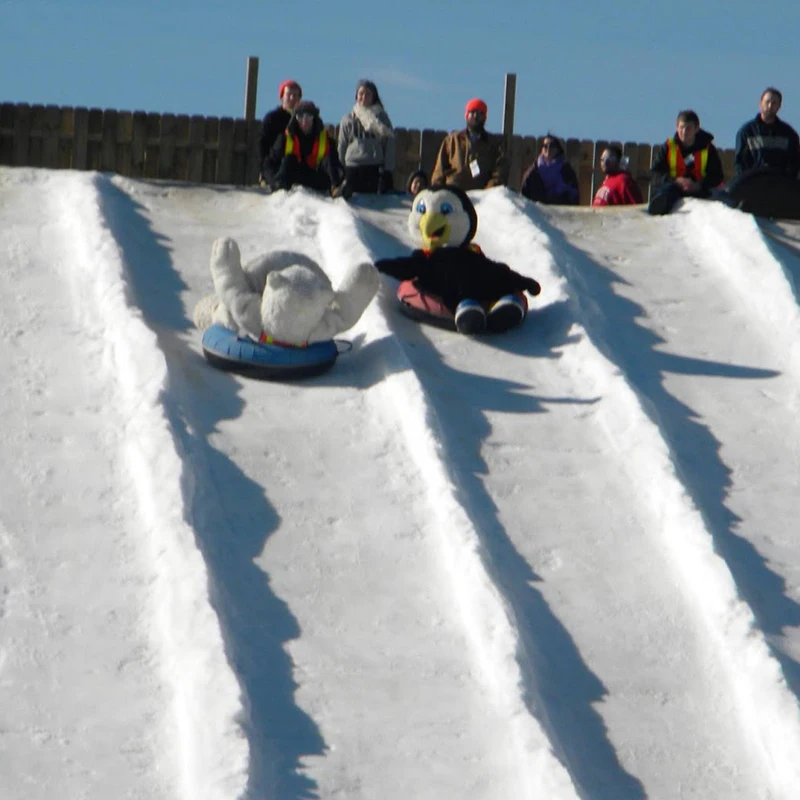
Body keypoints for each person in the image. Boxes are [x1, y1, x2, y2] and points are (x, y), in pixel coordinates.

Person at [648, 110, 724, 216]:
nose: (684, 132)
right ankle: (658, 208)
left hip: (699, 190)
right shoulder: (669, 146)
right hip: (674, 187)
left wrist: (699, 185)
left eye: (688, 128)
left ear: (696, 129)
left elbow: (717, 176)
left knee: (717, 195)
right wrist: (675, 180)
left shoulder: (708, 148)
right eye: (681, 127)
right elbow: (654, 173)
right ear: (676, 127)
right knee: (666, 191)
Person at [262, 100, 346, 196]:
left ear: (314, 118)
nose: (304, 121)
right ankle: (279, 188)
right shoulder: (285, 138)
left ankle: (336, 189)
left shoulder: (326, 140)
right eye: (300, 117)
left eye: (308, 117)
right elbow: (268, 164)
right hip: (293, 181)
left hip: (318, 181)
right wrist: (273, 181)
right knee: (289, 159)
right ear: (295, 118)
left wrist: (338, 178)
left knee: (328, 159)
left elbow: (336, 165)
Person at [430, 98, 508, 190]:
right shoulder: (452, 140)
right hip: (453, 193)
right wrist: (438, 189)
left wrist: (488, 191)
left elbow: (500, 172)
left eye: (480, 113)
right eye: (472, 112)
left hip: (482, 196)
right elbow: (439, 170)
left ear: (485, 117)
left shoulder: (494, 144)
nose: (476, 116)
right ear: (466, 115)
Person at [337, 79, 396, 195]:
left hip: (374, 166)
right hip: (352, 166)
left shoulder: (382, 119)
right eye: (361, 94)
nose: (364, 97)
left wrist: (388, 170)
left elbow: (389, 145)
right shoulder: (348, 119)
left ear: (373, 97)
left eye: (368, 94)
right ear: (356, 96)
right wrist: (340, 169)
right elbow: (342, 144)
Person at [734, 87, 800, 178]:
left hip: (779, 186)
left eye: (774, 103)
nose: (769, 106)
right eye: (767, 102)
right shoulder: (746, 132)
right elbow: (739, 161)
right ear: (760, 104)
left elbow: (794, 163)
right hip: (753, 185)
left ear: (779, 106)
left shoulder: (789, 134)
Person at [258, 80, 302, 187]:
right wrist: (263, 170)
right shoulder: (272, 118)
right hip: (274, 165)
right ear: (282, 97)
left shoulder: (303, 120)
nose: (292, 98)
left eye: (295, 95)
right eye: (289, 95)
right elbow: (262, 145)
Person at [520, 135, 579, 205]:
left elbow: (574, 196)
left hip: (561, 212)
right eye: (545, 146)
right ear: (542, 149)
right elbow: (524, 197)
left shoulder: (566, 170)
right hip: (536, 212)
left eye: (552, 145)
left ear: (558, 149)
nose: (548, 148)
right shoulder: (532, 172)